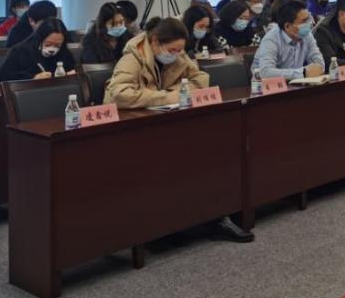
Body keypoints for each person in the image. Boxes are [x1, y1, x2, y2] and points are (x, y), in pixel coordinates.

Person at [105, 19, 250, 243]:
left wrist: (176, 92)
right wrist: (168, 97)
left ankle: (216, 216)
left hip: (168, 119)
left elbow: (201, 79)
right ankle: (168, 224)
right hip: (133, 127)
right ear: (155, 42)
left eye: (180, 50)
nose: (177, 54)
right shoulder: (132, 58)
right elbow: (119, 94)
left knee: (213, 149)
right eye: (172, 50)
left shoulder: (178, 55)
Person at [253, 0, 325, 80]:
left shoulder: (307, 35)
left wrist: (313, 70)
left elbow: (319, 65)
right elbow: (266, 72)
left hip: (296, 83)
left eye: (309, 19)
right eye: (304, 21)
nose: (310, 23)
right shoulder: (271, 39)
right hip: (265, 85)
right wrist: (303, 73)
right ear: (287, 26)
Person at [0, 18, 77, 82]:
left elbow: (73, 69)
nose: (52, 49)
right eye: (48, 44)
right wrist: (32, 78)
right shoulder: (20, 51)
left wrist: (73, 75)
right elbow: (3, 78)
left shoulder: (64, 52)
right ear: (40, 39)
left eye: (57, 45)